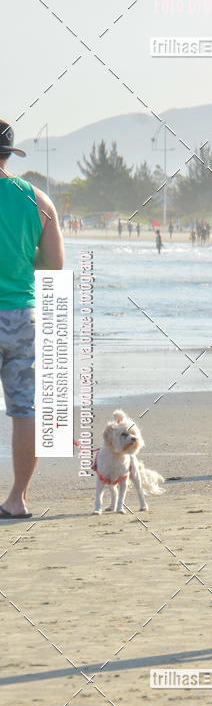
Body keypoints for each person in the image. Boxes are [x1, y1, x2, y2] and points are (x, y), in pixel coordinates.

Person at [0, 120, 64, 519]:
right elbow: (53, 268)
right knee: (25, 410)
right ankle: (17, 499)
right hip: (22, 316)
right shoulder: (38, 200)